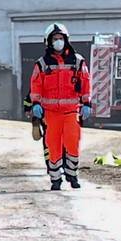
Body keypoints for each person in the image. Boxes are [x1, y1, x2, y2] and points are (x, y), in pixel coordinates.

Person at [28, 24, 91, 192]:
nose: (58, 42)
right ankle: (55, 179)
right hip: (51, 113)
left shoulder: (77, 61)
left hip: (71, 111)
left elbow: (85, 82)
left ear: (66, 40)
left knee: (72, 143)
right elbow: (36, 86)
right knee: (53, 145)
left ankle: (72, 174)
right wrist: (35, 104)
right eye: (55, 39)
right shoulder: (42, 64)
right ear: (48, 42)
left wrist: (86, 103)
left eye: (61, 38)